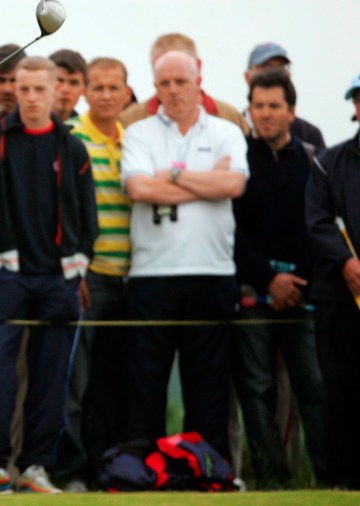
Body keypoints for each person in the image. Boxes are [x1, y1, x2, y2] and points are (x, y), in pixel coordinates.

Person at [0, 56, 97, 495]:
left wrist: (79, 262)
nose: (33, 97)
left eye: (41, 89)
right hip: (8, 280)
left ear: (57, 91)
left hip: (59, 282)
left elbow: (87, 213)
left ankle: (37, 467)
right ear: (14, 90)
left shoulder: (72, 147)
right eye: (25, 89)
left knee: (51, 380)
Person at [120, 50, 248, 460]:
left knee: (208, 385)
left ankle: (206, 471)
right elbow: (139, 190)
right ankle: (146, 472)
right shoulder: (139, 133)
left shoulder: (227, 131)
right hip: (150, 275)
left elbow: (234, 186)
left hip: (211, 272)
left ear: (198, 80)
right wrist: (206, 181)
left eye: (181, 81)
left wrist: (172, 175)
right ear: (155, 86)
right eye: (164, 83)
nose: (173, 90)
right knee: (144, 384)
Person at [232, 69, 326, 488]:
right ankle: (272, 481)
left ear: (292, 111)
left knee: (316, 388)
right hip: (254, 289)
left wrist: (296, 280)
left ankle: (331, 477)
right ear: (249, 110)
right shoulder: (237, 158)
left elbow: (321, 226)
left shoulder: (313, 160)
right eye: (258, 106)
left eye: (274, 106)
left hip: (305, 293)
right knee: (256, 391)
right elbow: (230, 230)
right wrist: (269, 278)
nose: (265, 114)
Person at [52, 57, 133, 491]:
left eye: (113, 87)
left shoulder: (133, 141)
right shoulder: (74, 138)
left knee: (115, 383)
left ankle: (112, 469)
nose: (105, 94)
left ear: (126, 93)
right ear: (85, 93)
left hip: (131, 278)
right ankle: (70, 472)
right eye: (97, 87)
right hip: (89, 277)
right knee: (75, 383)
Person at [304, 72, 360, 490]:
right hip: (339, 298)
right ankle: (343, 478)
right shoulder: (328, 162)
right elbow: (318, 221)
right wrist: (345, 262)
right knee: (340, 390)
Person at [120, 33, 249, 134]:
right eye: (160, 67)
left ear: (198, 66)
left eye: (179, 78)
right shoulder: (129, 120)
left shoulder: (230, 118)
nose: (173, 89)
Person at [244, 42, 325, 148]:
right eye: (265, 68)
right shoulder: (232, 130)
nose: (272, 75)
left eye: (279, 68)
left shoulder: (309, 135)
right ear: (247, 77)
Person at [49, 49, 87, 121]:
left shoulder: (85, 131)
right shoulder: (24, 125)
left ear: (84, 89)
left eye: (73, 83)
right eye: (59, 80)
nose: (65, 89)